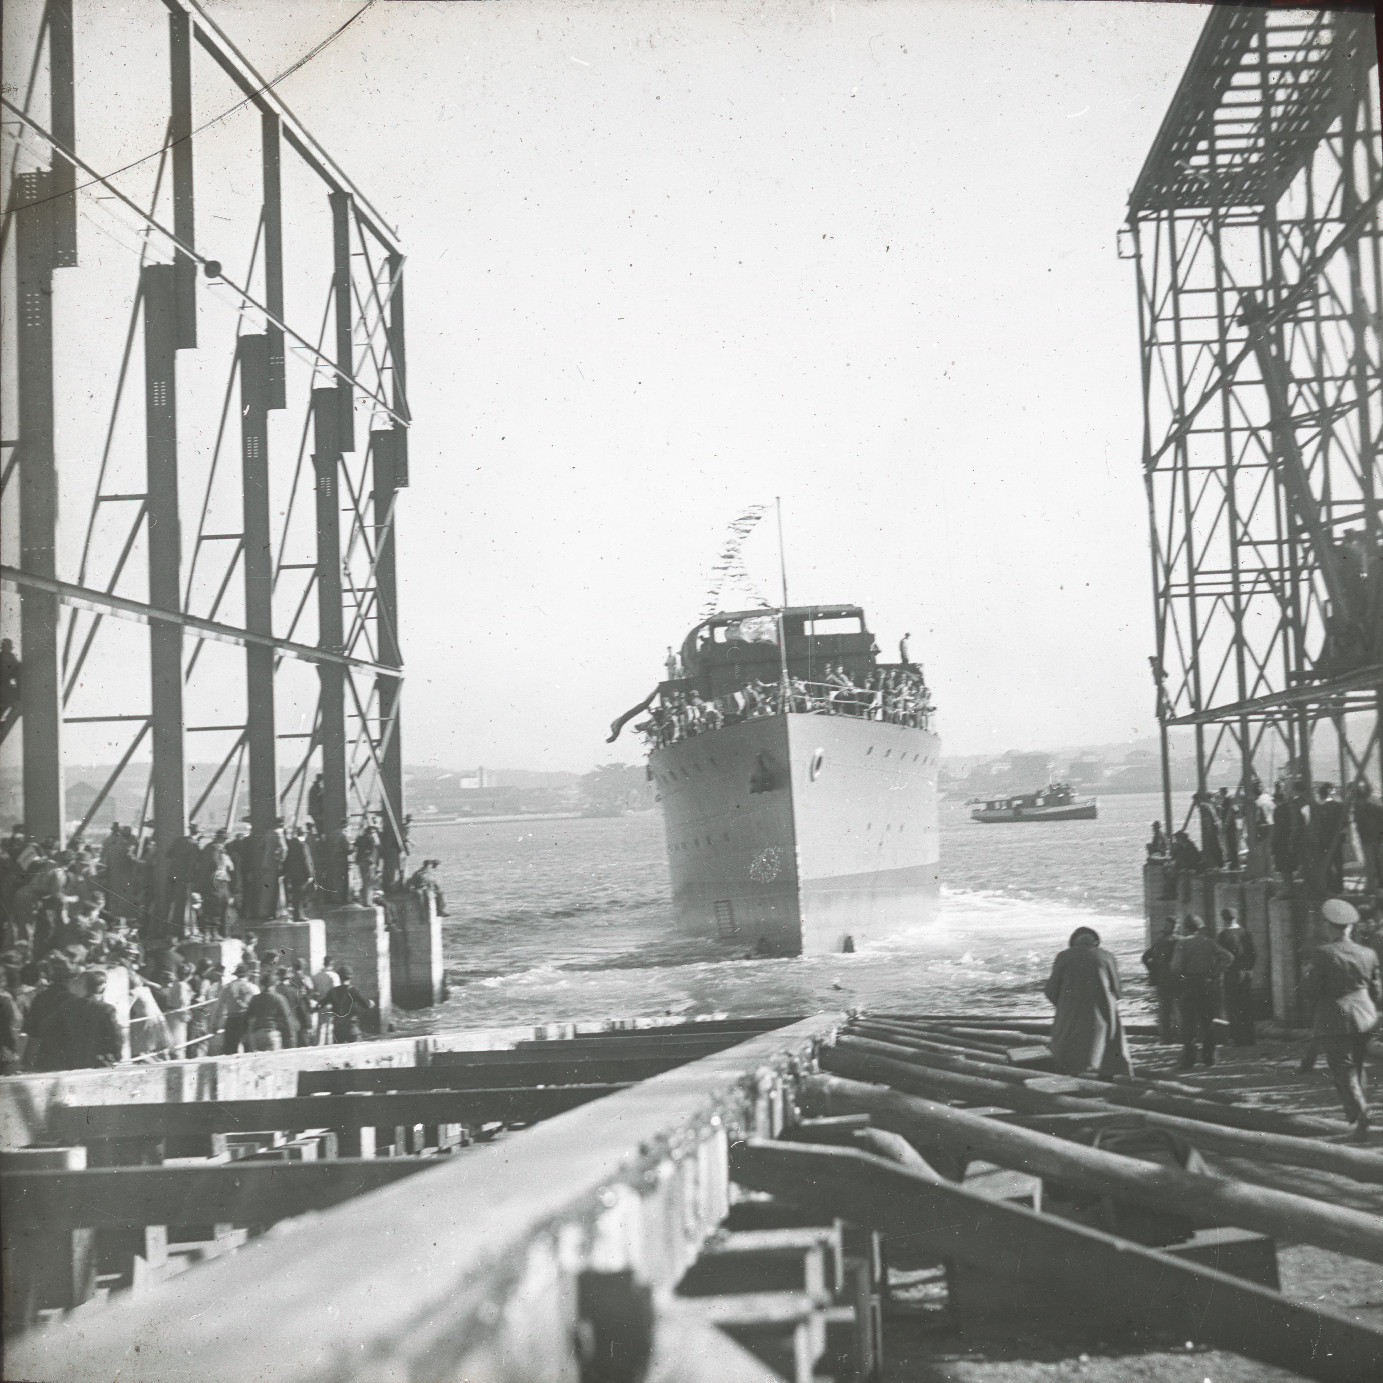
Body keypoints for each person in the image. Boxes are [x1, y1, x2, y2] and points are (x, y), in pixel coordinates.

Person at [1303, 898, 1381, 1141]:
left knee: (1342, 1068)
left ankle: (1361, 1114)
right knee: (1357, 1067)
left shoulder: (1323, 953)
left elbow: (1310, 990)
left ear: (1329, 926)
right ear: (1351, 927)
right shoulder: (1368, 953)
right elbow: (1377, 991)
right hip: (1365, 1017)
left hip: (1335, 1018)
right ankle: (1358, 1120)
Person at [1043, 927, 1133, 1077]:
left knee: (1067, 1050)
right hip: (1102, 1015)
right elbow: (1117, 991)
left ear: (1073, 942)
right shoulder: (1107, 956)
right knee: (1107, 1049)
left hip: (1070, 1014)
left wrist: (1065, 1007)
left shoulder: (1063, 956)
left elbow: (1051, 991)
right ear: (1096, 942)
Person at [1171, 915, 1233, 1069]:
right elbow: (1228, 957)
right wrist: (1216, 972)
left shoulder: (1182, 943)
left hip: (1190, 984)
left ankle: (1189, 1060)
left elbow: (1175, 966)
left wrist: (1181, 978)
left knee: (1189, 1023)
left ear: (1186, 928)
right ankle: (1209, 1058)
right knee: (1208, 1023)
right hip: (1208, 985)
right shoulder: (1208, 941)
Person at [1216, 908, 1258, 1047]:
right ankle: (1249, 1038)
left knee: (1232, 1006)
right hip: (1246, 974)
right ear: (1236, 918)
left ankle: (1237, 1038)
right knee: (1246, 1005)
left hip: (1232, 974)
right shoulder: (1245, 933)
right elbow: (1254, 953)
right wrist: (1249, 969)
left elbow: (1220, 956)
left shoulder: (1223, 935)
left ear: (1224, 919)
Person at [1141, 916, 1181, 1042]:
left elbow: (1145, 957)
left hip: (1163, 978)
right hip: (1179, 978)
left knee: (1165, 1009)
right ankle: (1180, 1035)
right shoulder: (1181, 940)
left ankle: (1166, 1037)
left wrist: (1152, 971)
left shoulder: (1161, 941)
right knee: (1179, 1008)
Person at [243, 970, 298, 1051]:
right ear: (273, 985)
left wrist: (245, 1036)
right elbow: (287, 1019)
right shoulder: (279, 998)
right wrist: (291, 1037)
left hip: (258, 1035)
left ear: (261, 985)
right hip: (272, 1033)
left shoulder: (255, 999)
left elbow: (247, 1018)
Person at [213, 963, 260, 1055]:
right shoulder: (253, 988)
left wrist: (215, 1024)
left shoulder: (227, 987)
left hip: (232, 1019)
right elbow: (258, 1005)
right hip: (247, 1020)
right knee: (249, 1049)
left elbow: (219, 1007)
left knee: (230, 1050)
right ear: (247, 974)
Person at [322, 965, 374, 1043]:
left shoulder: (332, 991)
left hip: (338, 1028)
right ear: (350, 977)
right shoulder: (353, 990)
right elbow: (365, 1005)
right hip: (351, 1027)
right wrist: (371, 1003)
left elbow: (322, 1003)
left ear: (339, 977)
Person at [283, 828, 315, 921]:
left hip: (293, 874)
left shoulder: (290, 844)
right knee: (300, 896)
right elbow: (306, 860)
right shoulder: (303, 845)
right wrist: (310, 874)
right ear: (304, 834)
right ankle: (299, 916)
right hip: (302, 874)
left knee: (295, 895)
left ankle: (296, 915)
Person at [311, 954, 341, 1043]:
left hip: (320, 1003)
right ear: (331, 964)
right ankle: (328, 1047)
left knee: (320, 1027)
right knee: (329, 1028)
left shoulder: (317, 976)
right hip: (330, 1004)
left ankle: (318, 1046)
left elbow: (314, 991)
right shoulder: (334, 976)